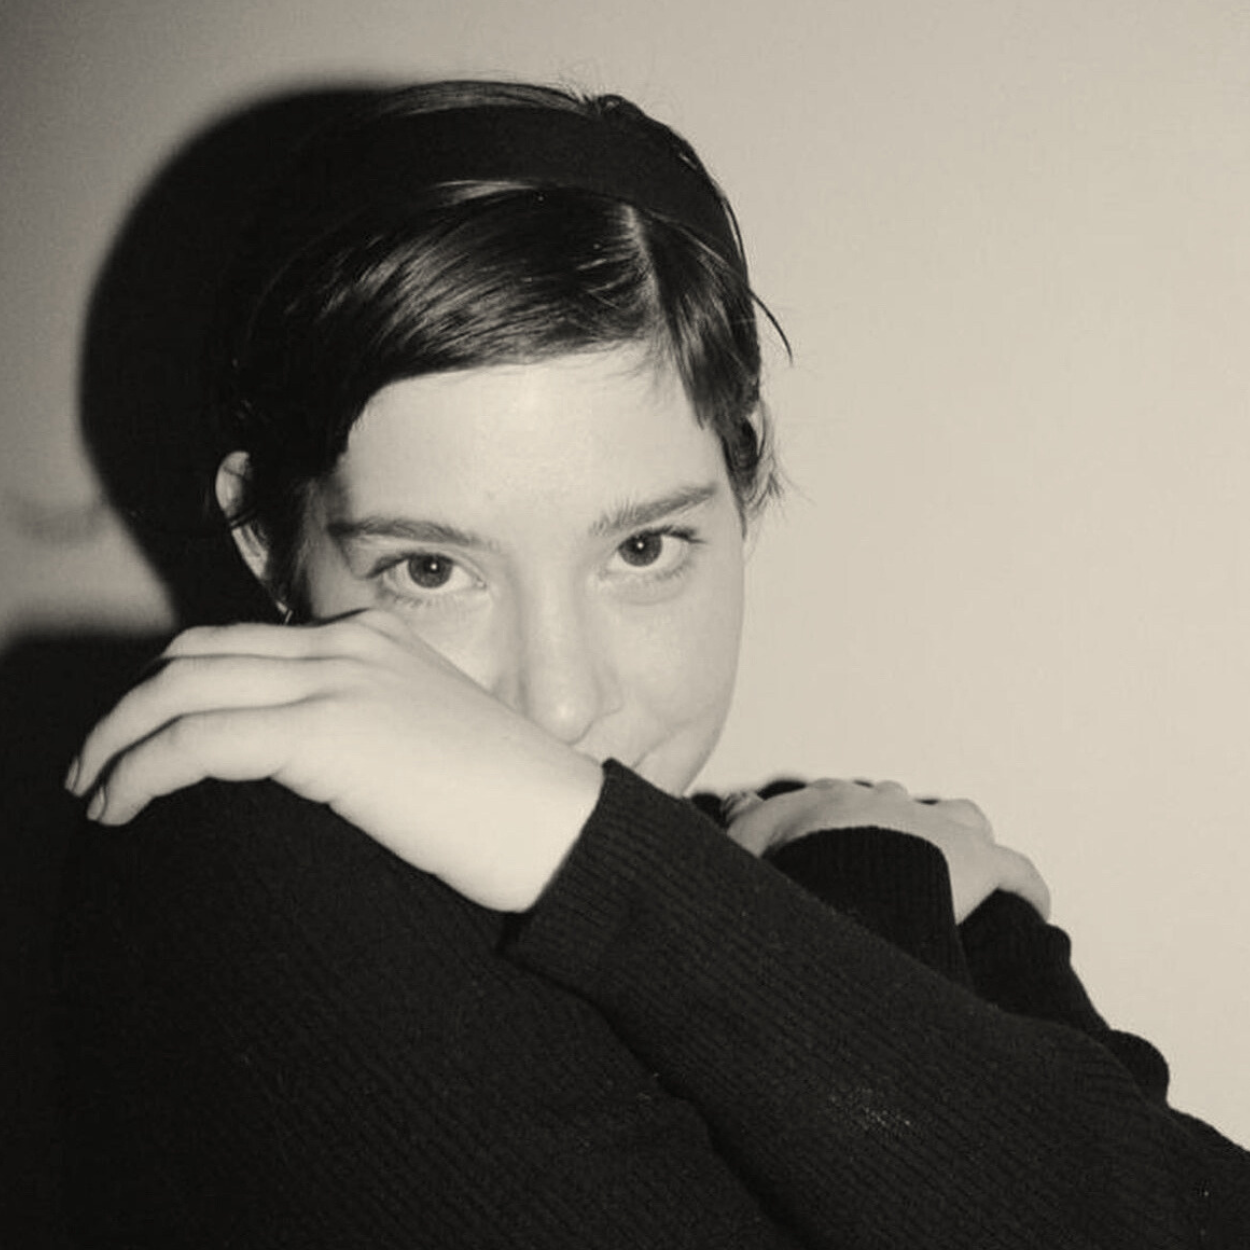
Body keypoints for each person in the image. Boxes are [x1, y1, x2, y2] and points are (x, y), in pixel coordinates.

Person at [57, 80, 1250, 1248]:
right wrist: (856, 891)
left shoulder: (843, 859)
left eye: (640, 546)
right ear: (267, 540)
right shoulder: (232, 852)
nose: (561, 703)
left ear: (744, 499)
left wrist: (714, 878)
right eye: (430, 570)